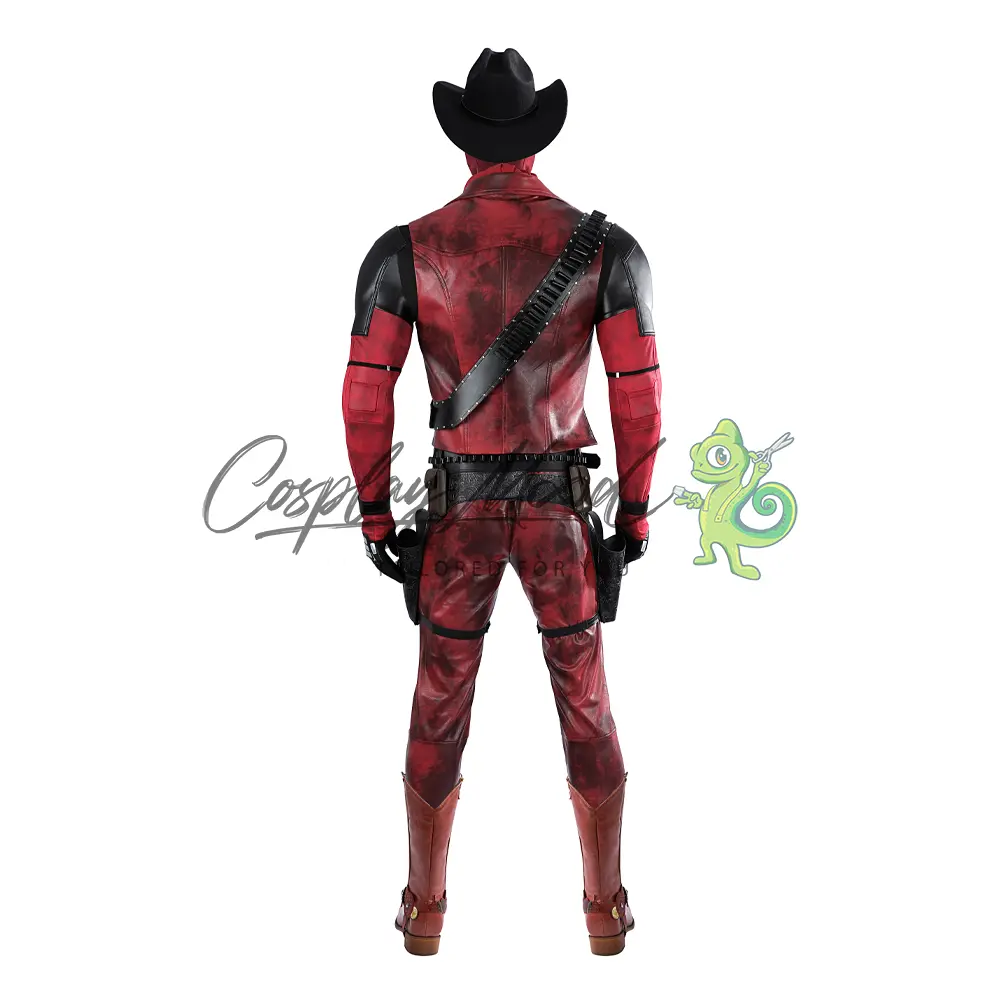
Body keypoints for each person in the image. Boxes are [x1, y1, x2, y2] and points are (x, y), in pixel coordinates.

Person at [341, 48, 661, 956]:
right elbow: (639, 397)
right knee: (587, 700)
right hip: (561, 516)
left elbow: (365, 395)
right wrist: (634, 515)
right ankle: (605, 913)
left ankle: (423, 912)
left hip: (459, 514)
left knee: (438, 700)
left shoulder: (404, 251)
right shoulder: (611, 252)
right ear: (535, 140)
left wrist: (376, 517)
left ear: (465, 143)